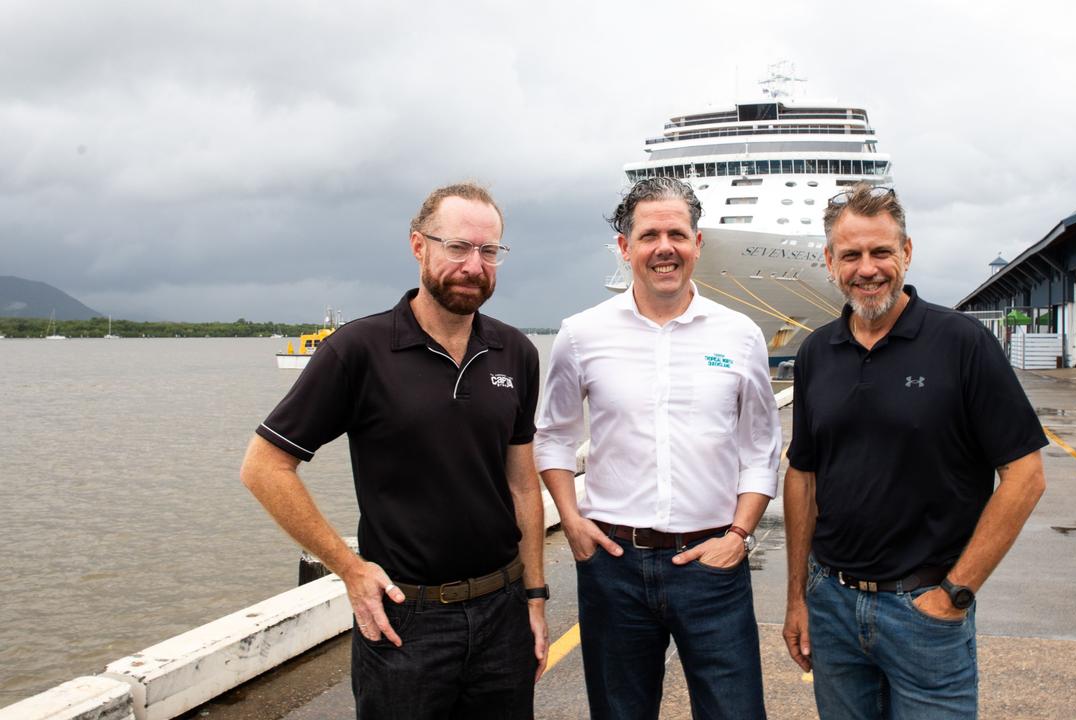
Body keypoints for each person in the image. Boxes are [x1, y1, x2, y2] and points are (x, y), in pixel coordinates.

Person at [240, 182, 548, 719]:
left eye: (489, 251)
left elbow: (523, 483)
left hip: (503, 611)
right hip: (408, 623)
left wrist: (536, 598)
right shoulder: (359, 350)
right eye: (457, 247)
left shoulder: (515, 352)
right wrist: (351, 570)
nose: (474, 265)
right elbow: (265, 466)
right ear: (418, 247)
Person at [781, 183, 1047, 719]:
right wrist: (797, 598)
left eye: (881, 251)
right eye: (851, 255)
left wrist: (955, 594)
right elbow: (803, 476)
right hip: (831, 603)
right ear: (829, 262)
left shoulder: (962, 343)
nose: (868, 268)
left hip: (925, 610)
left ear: (906, 252)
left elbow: (1025, 475)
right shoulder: (816, 352)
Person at [535, 177, 782, 720]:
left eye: (677, 233)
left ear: (697, 243)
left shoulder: (740, 335)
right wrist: (572, 521)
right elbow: (552, 435)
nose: (663, 247)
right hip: (613, 566)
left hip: (712, 564)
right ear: (626, 248)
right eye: (649, 235)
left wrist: (739, 535)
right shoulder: (581, 334)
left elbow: (762, 446)